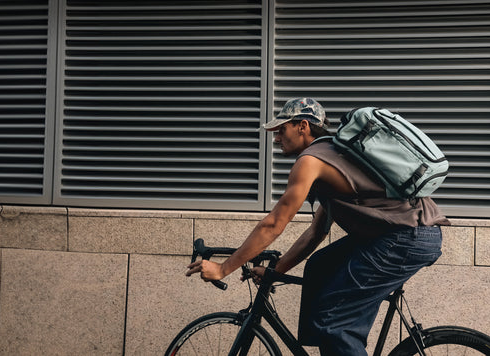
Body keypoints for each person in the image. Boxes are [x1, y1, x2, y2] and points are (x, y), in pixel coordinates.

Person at [186, 98, 450, 355]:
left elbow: (274, 223)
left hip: (405, 238)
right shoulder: (335, 156)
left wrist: (223, 268)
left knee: (334, 322)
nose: (276, 138)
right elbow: (315, 233)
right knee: (320, 266)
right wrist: (274, 272)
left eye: (281, 130)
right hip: (403, 235)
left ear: (303, 126)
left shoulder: (311, 161)